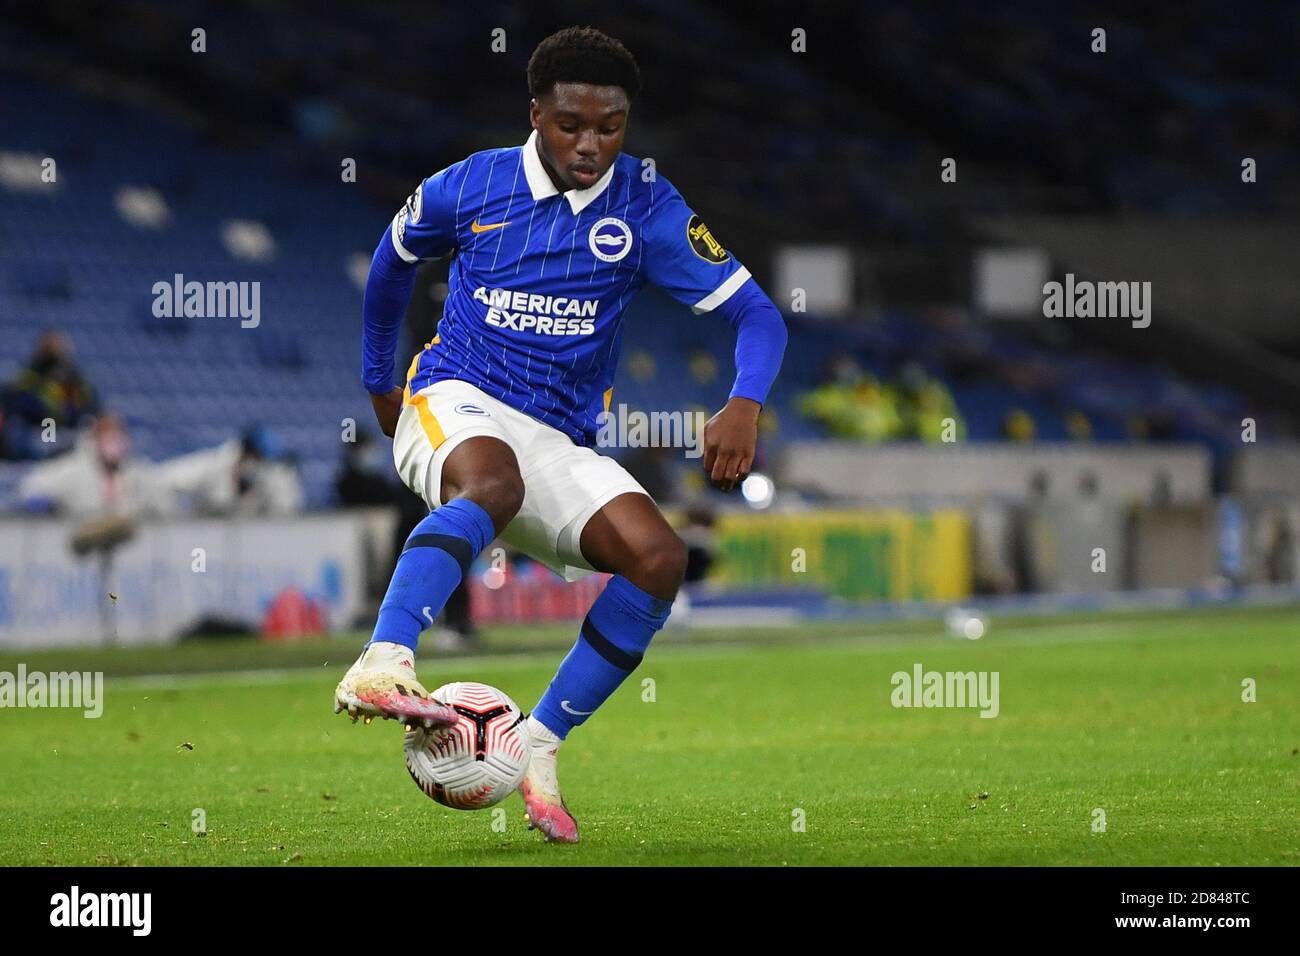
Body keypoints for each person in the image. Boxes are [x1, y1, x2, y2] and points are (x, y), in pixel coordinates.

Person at [333, 26, 787, 843]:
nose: (591, 144)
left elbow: (757, 313)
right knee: (492, 484)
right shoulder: (471, 185)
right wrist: (376, 380)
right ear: (535, 112)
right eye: (571, 124)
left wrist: (744, 401)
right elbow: (392, 262)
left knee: (658, 558)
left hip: (560, 437)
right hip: (454, 394)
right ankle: (384, 658)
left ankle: (536, 745)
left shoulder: (646, 204)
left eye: (610, 126)